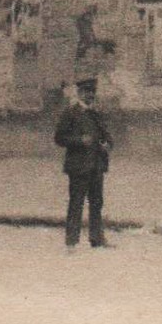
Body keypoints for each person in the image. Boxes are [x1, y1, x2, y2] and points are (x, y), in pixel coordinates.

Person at [55, 77, 113, 250]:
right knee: (76, 203)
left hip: (96, 166)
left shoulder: (96, 114)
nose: (90, 95)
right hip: (78, 166)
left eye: (92, 92)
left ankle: (97, 239)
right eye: (87, 92)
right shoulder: (70, 113)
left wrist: (108, 145)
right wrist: (80, 140)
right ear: (79, 93)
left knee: (96, 203)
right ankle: (71, 241)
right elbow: (59, 138)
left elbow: (107, 137)